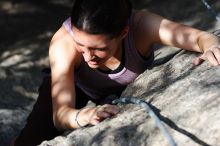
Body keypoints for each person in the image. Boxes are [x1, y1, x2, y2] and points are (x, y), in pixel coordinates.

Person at [13, 0, 220, 145]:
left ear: (123, 33)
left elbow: (200, 38)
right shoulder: (63, 44)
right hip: (76, 84)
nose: (87, 57)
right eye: (81, 46)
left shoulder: (143, 26)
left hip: (125, 89)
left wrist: (211, 47)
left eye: (98, 49)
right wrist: (82, 116)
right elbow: (61, 115)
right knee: (32, 138)